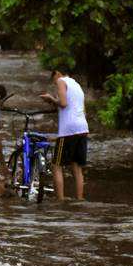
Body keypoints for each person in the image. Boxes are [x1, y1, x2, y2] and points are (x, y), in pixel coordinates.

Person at [40, 68, 89, 200]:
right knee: (77, 167)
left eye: (54, 79)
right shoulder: (77, 85)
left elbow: (63, 103)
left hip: (68, 130)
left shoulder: (62, 81)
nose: (55, 83)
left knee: (56, 165)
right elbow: (80, 109)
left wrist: (51, 98)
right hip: (82, 128)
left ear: (58, 73)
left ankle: (60, 200)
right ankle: (79, 198)